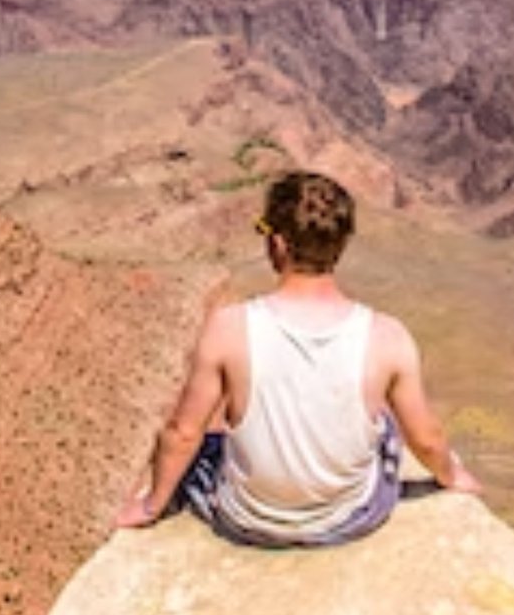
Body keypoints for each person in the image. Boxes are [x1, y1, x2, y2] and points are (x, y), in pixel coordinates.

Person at [115, 170, 482, 547]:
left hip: (247, 520)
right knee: (385, 425)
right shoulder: (388, 337)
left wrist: (150, 506)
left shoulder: (228, 328)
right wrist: (453, 476)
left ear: (277, 243)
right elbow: (425, 438)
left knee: (210, 446)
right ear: (340, 246)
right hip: (348, 519)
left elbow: (182, 433)